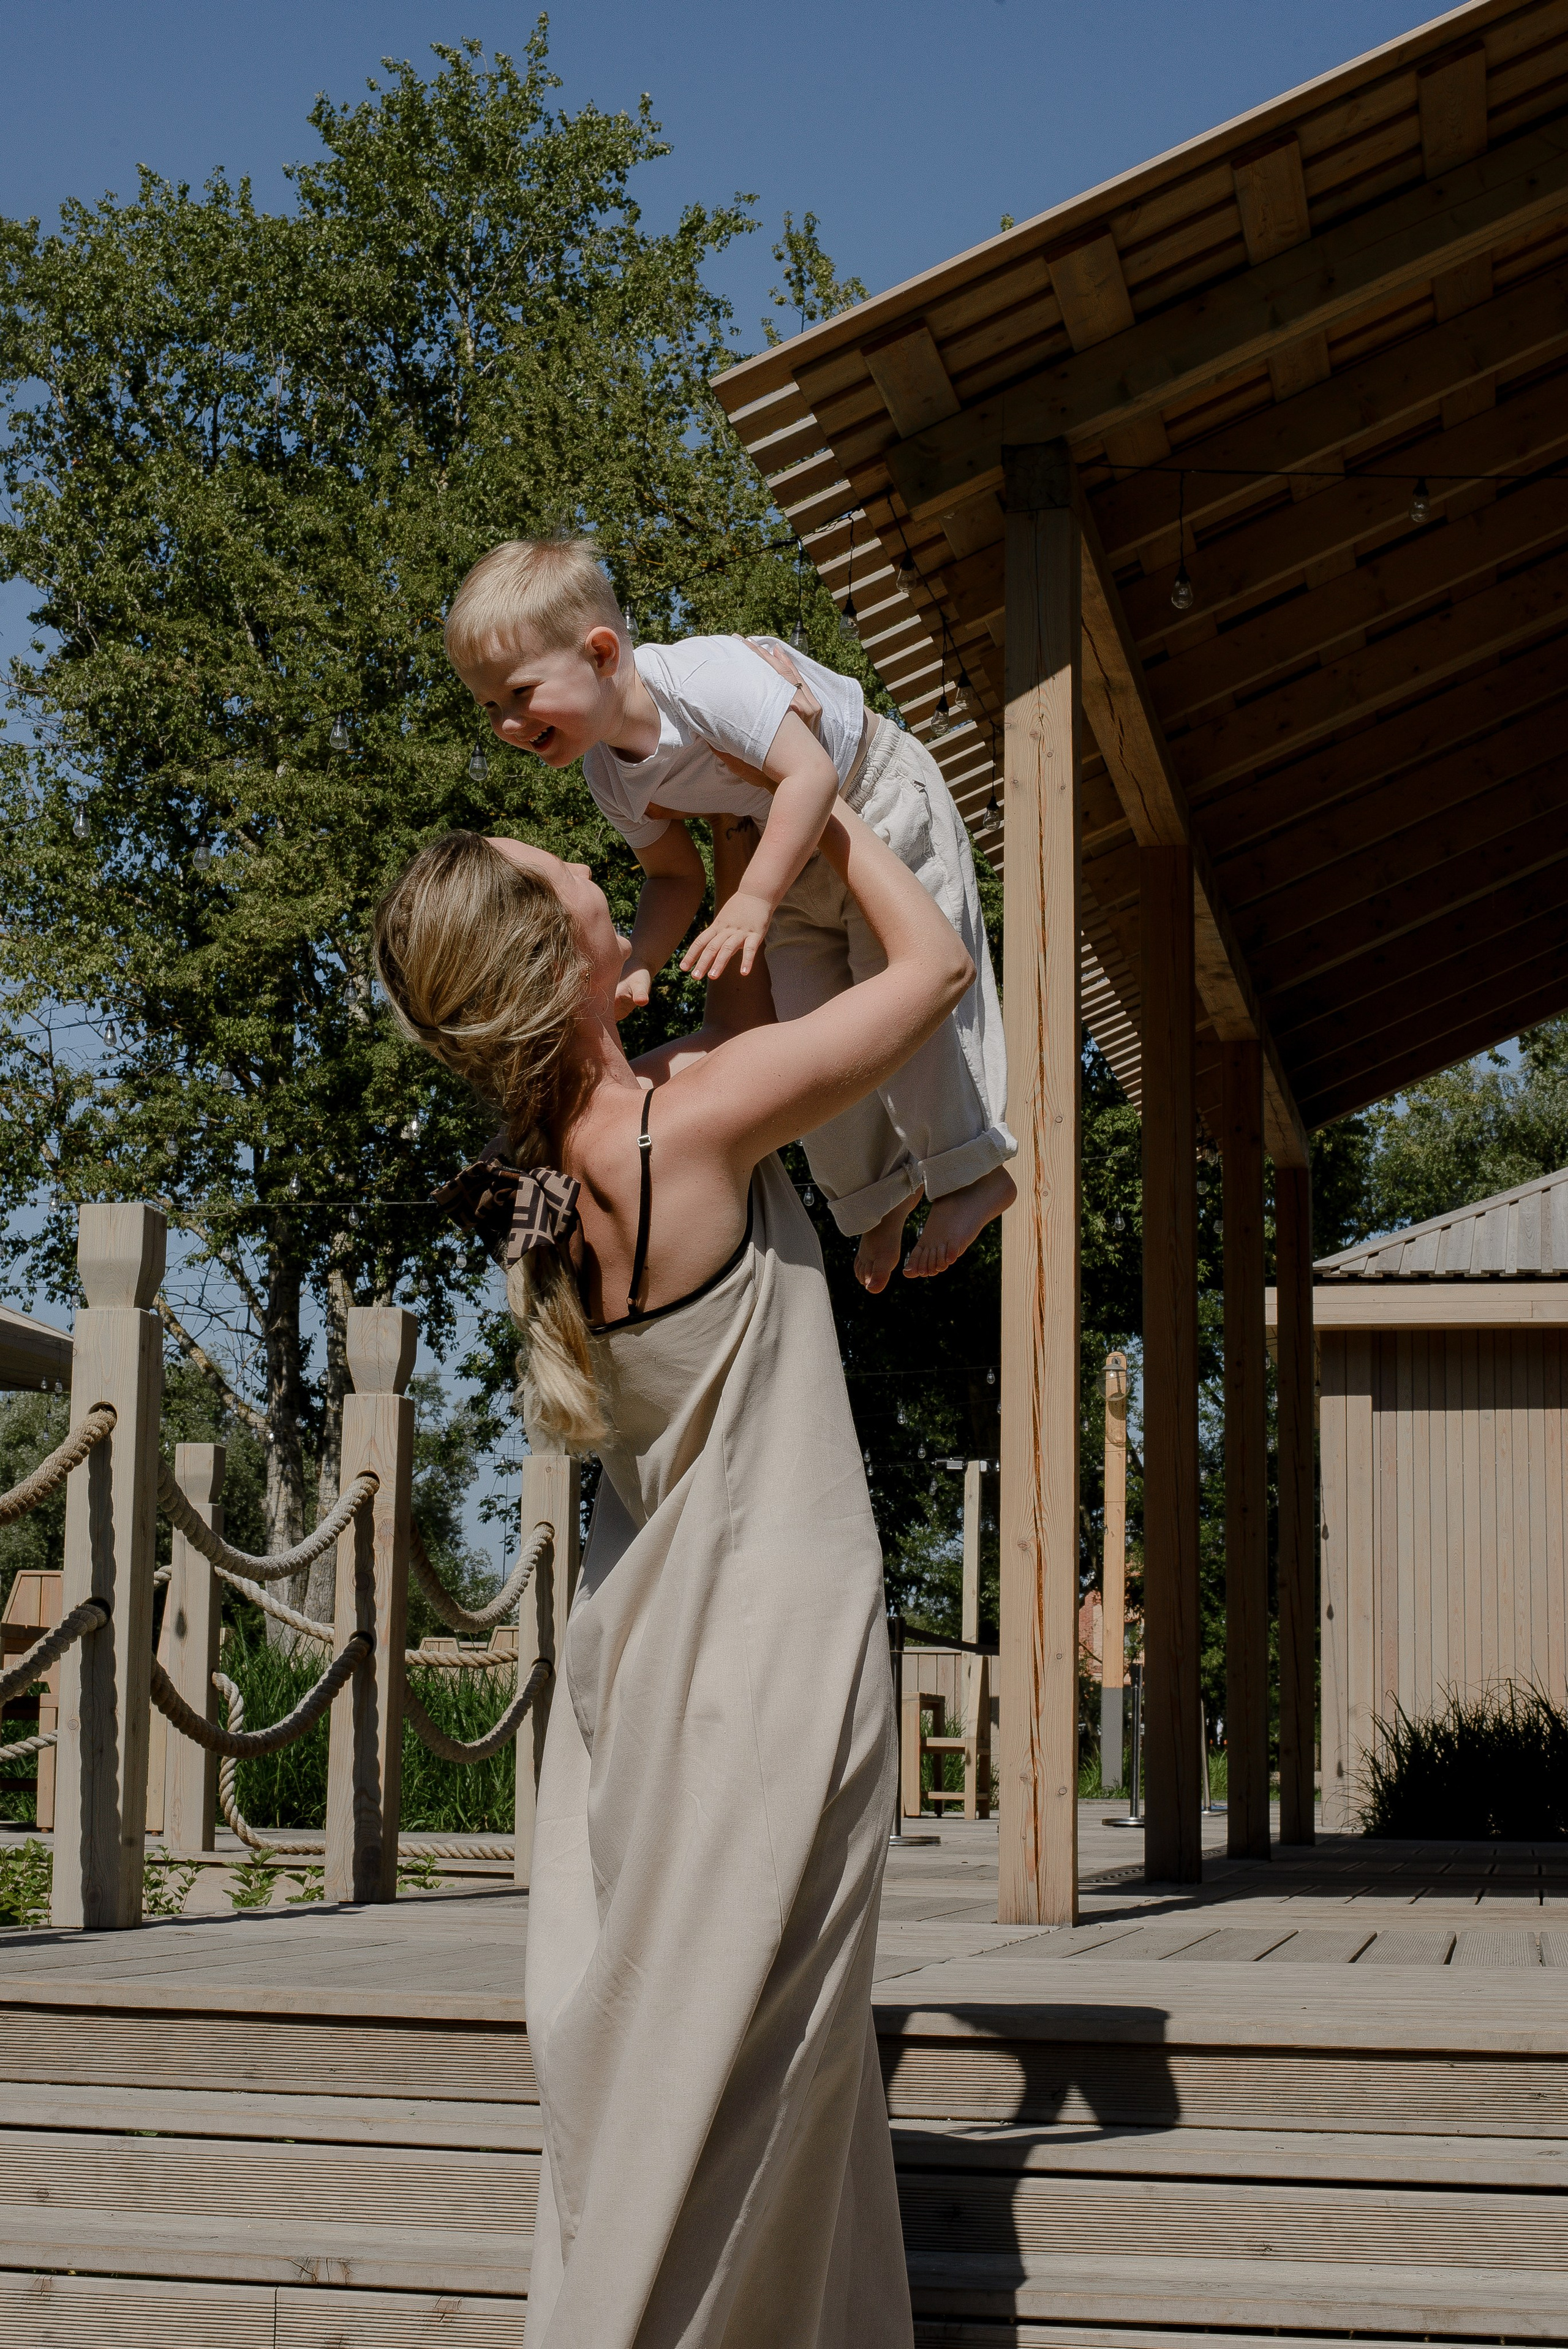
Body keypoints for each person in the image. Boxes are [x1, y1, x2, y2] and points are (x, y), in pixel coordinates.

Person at [373, 798, 970, 2348]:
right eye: (559, 873)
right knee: (765, 2059)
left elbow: (717, 969)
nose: (585, 864)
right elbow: (933, 967)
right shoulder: (684, 1115)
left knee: (720, 2055)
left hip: (649, 1668)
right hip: (769, 1648)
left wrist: (710, 848)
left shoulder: (584, 1144)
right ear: (558, 952)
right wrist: (828, 803)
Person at [442, 534, 1016, 1295]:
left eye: (517, 693)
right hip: (791, 865)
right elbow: (677, 879)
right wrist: (658, 947)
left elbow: (803, 779)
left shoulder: (705, 682)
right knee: (823, 1036)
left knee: (881, 1017)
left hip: (870, 804)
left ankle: (965, 1169)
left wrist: (727, 909)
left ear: (603, 653)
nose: (507, 723)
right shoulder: (610, 775)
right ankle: (880, 1194)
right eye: (492, 706)